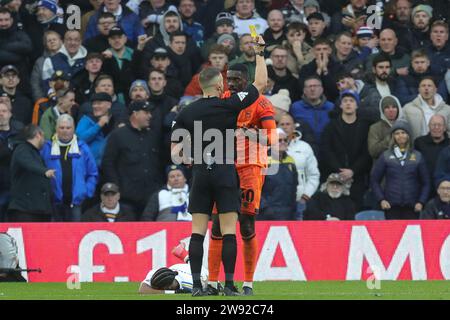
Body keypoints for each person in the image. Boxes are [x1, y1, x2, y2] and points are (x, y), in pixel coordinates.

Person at [170, 35, 267, 297]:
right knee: (228, 232)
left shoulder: (186, 112)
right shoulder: (229, 105)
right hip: (225, 174)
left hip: (201, 175)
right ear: (220, 84)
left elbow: (176, 152)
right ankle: (230, 285)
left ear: (200, 86)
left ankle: (198, 288)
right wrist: (259, 51)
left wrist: (191, 154)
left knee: (198, 233)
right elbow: (260, 83)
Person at [206, 63, 276, 296]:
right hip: (224, 167)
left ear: (247, 81)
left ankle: (247, 284)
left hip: (250, 167)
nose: (232, 84)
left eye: (237, 79)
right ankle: (213, 283)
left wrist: (245, 131)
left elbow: (271, 140)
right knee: (217, 224)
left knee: (246, 225)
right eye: (230, 79)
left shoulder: (261, 103)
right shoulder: (222, 100)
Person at [102, 100, 162, 216]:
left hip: (151, 196)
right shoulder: (118, 135)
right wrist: (117, 187)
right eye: (146, 112)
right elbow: (108, 163)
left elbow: (158, 162)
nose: (150, 116)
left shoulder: (153, 136)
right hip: (127, 198)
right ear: (135, 114)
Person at [40, 114, 98, 222]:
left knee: (75, 237)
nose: (65, 131)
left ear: (73, 129)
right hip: (53, 204)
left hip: (76, 203)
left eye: (68, 128)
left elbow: (92, 173)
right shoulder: (47, 148)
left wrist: (86, 191)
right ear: (56, 129)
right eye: (62, 128)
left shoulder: (83, 148)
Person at [320, 90, 372, 210]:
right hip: (335, 178)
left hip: (358, 178)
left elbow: (367, 153)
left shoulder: (365, 126)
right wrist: (339, 170)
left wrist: (353, 171)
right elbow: (326, 150)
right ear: (340, 105)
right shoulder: (331, 126)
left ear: (357, 105)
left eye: (351, 101)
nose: (348, 103)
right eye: (345, 101)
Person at [371, 120, 430, 220]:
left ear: (408, 135)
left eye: (403, 132)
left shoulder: (417, 156)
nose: (400, 136)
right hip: (391, 206)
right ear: (393, 136)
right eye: (397, 133)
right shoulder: (386, 155)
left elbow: (426, 182)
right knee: (392, 235)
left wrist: (421, 202)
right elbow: (374, 180)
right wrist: (381, 200)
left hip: (412, 206)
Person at [8, 125, 55, 222]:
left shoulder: (34, 152)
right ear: (38, 135)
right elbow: (28, 163)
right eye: (43, 136)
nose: (45, 140)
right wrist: (44, 171)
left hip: (39, 210)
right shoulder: (22, 149)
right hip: (25, 210)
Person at [279, 113, 320, 219]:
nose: (285, 127)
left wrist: (305, 196)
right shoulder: (268, 148)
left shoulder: (305, 147)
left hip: (300, 201)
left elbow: (313, 175)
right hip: (277, 204)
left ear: (294, 126)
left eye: (288, 124)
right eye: (282, 124)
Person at [259, 129, 298, 221]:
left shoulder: (290, 160)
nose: (283, 142)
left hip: (287, 212)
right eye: (279, 140)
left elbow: (294, 187)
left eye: (285, 140)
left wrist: (293, 208)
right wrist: (264, 207)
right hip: (266, 213)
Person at [139, 243, 209, 294]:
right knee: (192, 265)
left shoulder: (189, 284)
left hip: (201, 275)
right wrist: (173, 292)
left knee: (201, 271)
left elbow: (214, 288)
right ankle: (183, 254)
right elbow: (142, 290)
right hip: (176, 268)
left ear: (169, 287)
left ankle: (184, 255)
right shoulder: (155, 273)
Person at [402, 76, 450, 141]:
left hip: (442, 147)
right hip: (417, 147)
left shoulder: (447, 109)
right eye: (423, 86)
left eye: (429, 86)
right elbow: (402, 130)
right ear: (419, 89)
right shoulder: (408, 108)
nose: (426, 88)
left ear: (435, 89)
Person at [290, 76, 335, 146]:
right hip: (304, 149)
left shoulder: (331, 107)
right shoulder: (295, 107)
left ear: (321, 89)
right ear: (304, 90)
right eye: (309, 86)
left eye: (315, 86)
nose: (312, 89)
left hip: (327, 148)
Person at [76, 92, 117, 167]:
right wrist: (98, 125)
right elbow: (80, 139)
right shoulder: (86, 120)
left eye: (99, 103)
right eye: (94, 104)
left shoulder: (115, 121)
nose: (95, 106)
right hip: (89, 167)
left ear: (109, 105)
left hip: (110, 167)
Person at [414, 114, 450, 197]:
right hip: (423, 189)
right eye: (433, 125)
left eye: (439, 125)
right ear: (428, 127)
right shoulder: (419, 142)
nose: (436, 127)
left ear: (444, 128)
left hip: (445, 191)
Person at [0, 101, 23, 222]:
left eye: (4, 111)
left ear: (10, 114)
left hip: (15, 186)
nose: (1, 114)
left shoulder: (19, 136)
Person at [368, 95, 403, 161]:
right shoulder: (375, 128)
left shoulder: (405, 125)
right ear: (382, 110)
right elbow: (373, 151)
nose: (391, 110)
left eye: (394, 107)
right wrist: (390, 138)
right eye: (387, 107)